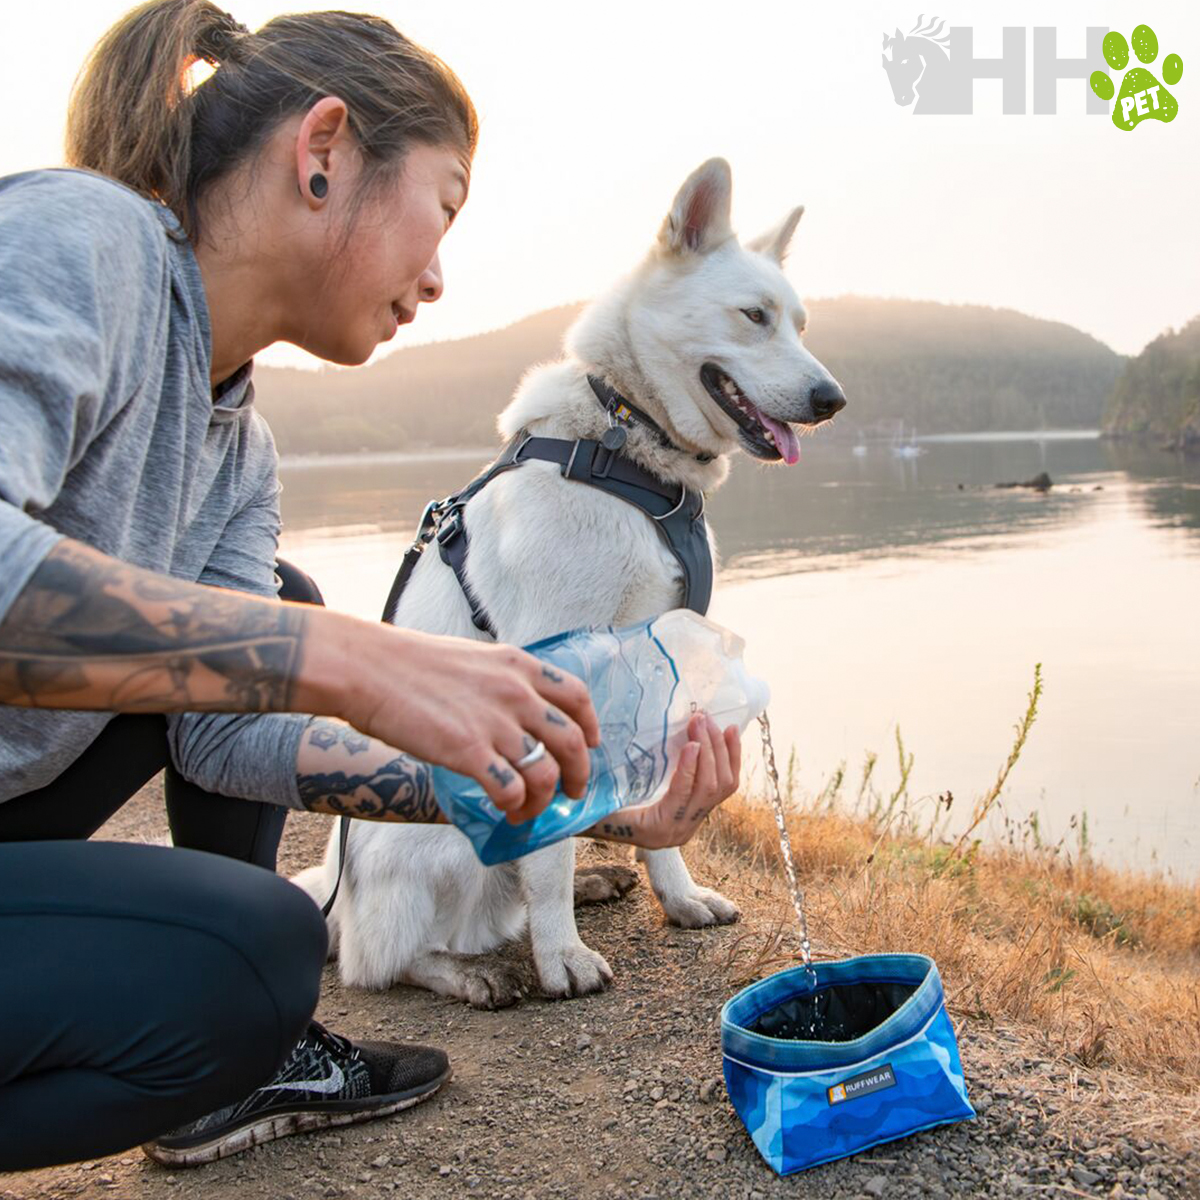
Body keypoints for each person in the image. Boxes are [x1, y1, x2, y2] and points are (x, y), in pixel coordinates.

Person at [0, 0, 744, 1174]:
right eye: (441, 207)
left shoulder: (235, 448)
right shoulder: (76, 241)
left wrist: (561, 793)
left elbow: (220, 741)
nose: (441, 275)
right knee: (251, 951)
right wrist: (359, 658)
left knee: (257, 934)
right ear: (323, 153)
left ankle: (227, 1074)